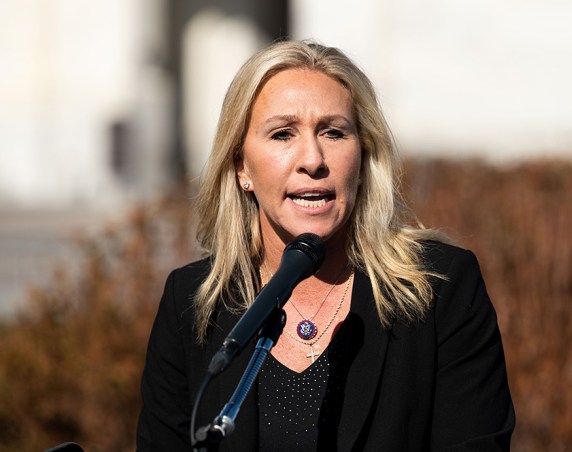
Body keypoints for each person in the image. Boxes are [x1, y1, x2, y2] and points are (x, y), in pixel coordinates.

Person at [136, 40, 515, 451]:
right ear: (241, 167)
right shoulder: (191, 302)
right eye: (283, 134)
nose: (313, 159)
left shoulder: (440, 288)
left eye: (333, 132)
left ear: (364, 157)